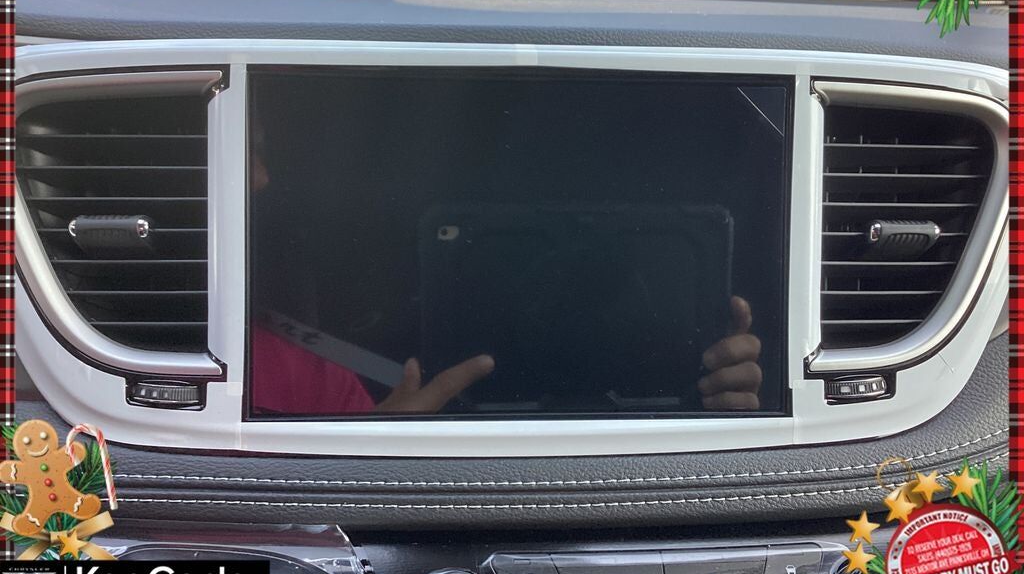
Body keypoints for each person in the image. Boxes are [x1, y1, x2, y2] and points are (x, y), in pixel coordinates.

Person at [249, 135, 762, 415]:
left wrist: (728, 420)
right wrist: (383, 455)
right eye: (250, 146)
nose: (260, 175)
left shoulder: (311, 372)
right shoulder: (305, 367)